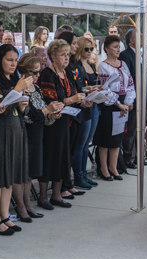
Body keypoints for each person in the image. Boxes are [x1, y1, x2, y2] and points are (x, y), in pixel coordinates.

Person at [0, 44, 31, 235]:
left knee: (9, 174)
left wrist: (22, 105)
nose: (14, 64)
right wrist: (17, 90)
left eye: (15, 60)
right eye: (9, 60)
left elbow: (23, 109)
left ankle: (5, 215)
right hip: (0, 132)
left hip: (16, 129)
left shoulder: (13, 79)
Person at [37, 39, 85, 210]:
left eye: (67, 54)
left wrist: (82, 101)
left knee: (62, 158)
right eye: (62, 55)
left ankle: (57, 194)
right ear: (53, 56)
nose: (66, 58)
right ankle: (43, 197)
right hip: (52, 122)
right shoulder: (47, 74)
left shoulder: (67, 73)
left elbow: (74, 93)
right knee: (50, 158)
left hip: (66, 120)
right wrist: (70, 100)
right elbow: (50, 100)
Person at [15, 53, 64, 221]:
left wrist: (51, 115)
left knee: (30, 174)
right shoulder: (18, 89)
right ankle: (21, 206)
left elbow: (42, 113)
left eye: (39, 71)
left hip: (38, 134)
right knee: (22, 173)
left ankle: (28, 203)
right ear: (24, 71)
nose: (38, 75)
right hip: (25, 134)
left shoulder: (35, 88)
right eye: (34, 72)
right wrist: (46, 112)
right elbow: (28, 116)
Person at [93, 35, 136, 181]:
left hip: (123, 103)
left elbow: (130, 83)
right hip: (109, 105)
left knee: (117, 137)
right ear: (107, 49)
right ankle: (103, 168)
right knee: (106, 138)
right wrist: (119, 104)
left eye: (119, 47)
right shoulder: (103, 66)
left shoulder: (123, 64)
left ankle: (113, 166)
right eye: (115, 47)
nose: (118, 50)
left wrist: (129, 101)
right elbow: (104, 89)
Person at [57, 31, 93, 192]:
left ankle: (75, 178)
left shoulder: (74, 64)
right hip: (70, 112)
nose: (76, 46)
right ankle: (72, 179)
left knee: (79, 146)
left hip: (79, 109)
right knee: (73, 148)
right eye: (74, 43)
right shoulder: (64, 67)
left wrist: (87, 91)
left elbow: (78, 86)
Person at [118, 29, 147, 168]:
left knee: (141, 128)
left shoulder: (142, 54)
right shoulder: (125, 55)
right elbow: (127, 79)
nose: (144, 38)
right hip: (134, 98)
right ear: (131, 40)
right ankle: (129, 158)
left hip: (145, 97)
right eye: (140, 37)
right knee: (131, 129)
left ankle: (138, 156)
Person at [72, 37, 102, 189]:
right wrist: (89, 89)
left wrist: (98, 88)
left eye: (92, 49)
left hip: (94, 104)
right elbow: (76, 86)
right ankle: (78, 175)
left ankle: (83, 173)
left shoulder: (90, 64)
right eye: (87, 49)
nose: (90, 52)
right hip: (83, 106)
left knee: (87, 142)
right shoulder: (76, 65)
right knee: (81, 143)